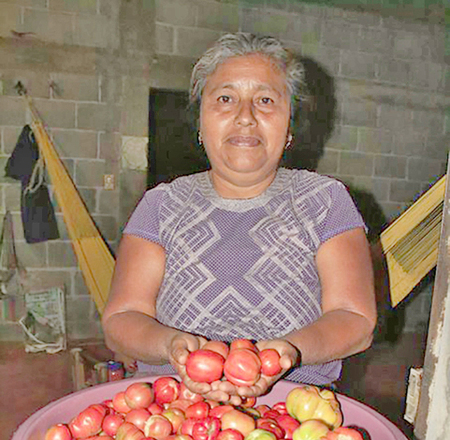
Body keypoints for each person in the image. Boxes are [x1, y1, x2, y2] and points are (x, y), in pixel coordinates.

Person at [102, 33, 377, 405]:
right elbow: (122, 319)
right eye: (225, 99)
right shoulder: (161, 206)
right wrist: (172, 346)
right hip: (171, 414)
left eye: (265, 100)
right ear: (201, 121)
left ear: (290, 125)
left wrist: (286, 352)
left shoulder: (326, 202)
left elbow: (355, 320)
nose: (245, 117)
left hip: (295, 415)